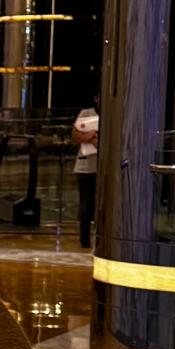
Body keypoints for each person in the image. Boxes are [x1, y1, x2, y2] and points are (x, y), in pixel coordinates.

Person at [73, 97, 100, 249]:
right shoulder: (86, 113)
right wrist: (90, 136)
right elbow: (75, 135)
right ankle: (84, 239)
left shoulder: (111, 115)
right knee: (85, 204)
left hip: (103, 167)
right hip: (85, 167)